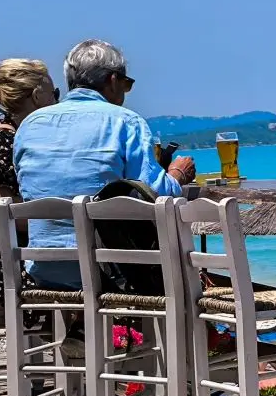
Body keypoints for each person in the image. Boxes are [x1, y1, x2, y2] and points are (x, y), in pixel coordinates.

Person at [15, 39, 196, 290]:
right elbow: (156, 194)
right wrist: (177, 175)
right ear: (112, 81)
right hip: (108, 272)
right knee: (186, 278)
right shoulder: (125, 122)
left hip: (44, 269)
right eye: (126, 83)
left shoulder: (29, 125)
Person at [0, 59, 58, 307]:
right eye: (55, 94)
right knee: (84, 278)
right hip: (5, 259)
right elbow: (7, 211)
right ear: (37, 97)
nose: (57, 103)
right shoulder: (5, 140)